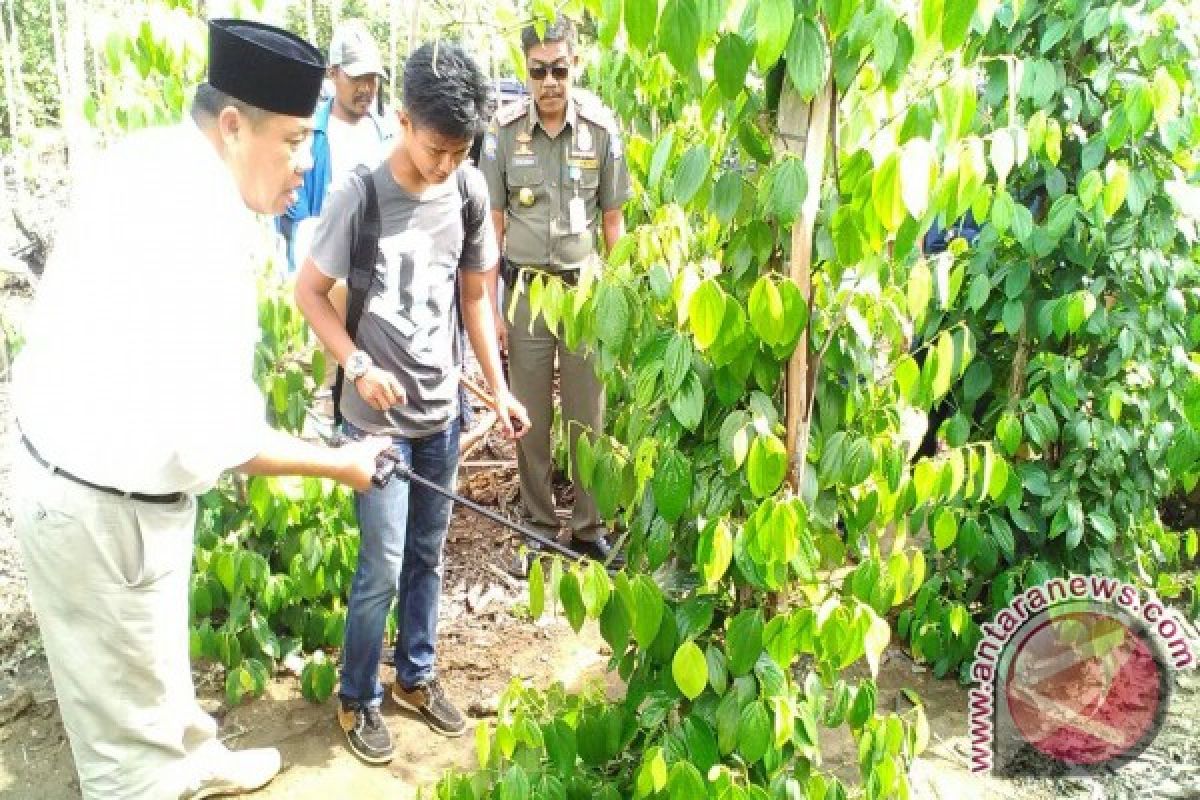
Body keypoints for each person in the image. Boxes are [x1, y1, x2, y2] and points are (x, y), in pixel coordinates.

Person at [10, 19, 391, 800]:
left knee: (156, 660)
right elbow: (212, 436)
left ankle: (197, 753)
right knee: (123, 758)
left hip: (124, 482)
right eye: (290, 143)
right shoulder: (196, 226)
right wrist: (338, 463)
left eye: (309, 139)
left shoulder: (157, 158)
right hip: (92, 500)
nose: (304, 164)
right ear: (230, 125)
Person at [294, 40, 528, 763]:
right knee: (383, 565)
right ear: (403, 120)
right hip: (375, 424)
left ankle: (416, 676)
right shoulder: (358, 194)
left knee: (429, 555)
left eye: (460, 151)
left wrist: (497, 385)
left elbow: (475, 298)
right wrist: (357, 365)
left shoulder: (464, 193)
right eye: (435, 149)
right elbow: (308, 293)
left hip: (440, 416)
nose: (445, 165)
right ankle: (357, 695)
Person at [479, 16, 632, 566]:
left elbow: (612, 222)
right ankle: (539, 528)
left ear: (575, 67)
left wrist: (617, 304)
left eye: (559, 69)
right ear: (527, 70)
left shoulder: (600, 130)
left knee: (587, 419)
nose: (549, 82)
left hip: (584, 297)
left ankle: (589, 529)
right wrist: (495, 307)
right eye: (539, 70)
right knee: (531, 420)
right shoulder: (501, 134)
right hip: (525, 298)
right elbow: (491, 227)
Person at [277, 19, 394, 272]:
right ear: (332, 73)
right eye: (356, 78)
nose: (366, 88)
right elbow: (296, 216)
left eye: (372, 79)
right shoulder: (306, 135)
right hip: (323, 273)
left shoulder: (389, 136)